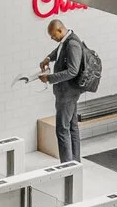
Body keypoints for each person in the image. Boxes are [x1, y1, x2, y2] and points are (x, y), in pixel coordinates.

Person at [37, 18, 87, 163]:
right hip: (68, 93)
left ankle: (67, 166)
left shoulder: (72, 44)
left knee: (62, 129)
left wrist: (49, 78)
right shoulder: (66, 40)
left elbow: (72, 71)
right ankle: (74, 163)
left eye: (53, 35)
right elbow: (59, 52)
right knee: (71, 127)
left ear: (60, 30)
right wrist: (48, 58)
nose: (52, 38)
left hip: (67, 94)